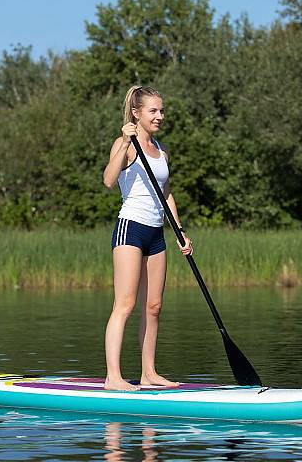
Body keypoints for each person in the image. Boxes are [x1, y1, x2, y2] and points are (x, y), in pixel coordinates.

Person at [102, 85, 193, 391]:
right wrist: (125, 142)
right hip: (131, 228)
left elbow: (166, 194)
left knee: (153, 307)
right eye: (153, 111)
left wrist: (179, 231)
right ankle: (113, 378)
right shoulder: (125, 144)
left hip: (156, 234)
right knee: (124, 304)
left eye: (161, 110)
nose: (159, 116)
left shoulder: (161, 150)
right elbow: (108, 180)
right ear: (136, 114)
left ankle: (149, 373)